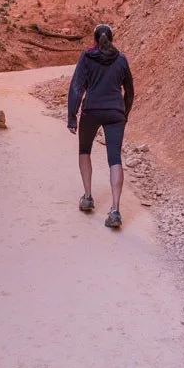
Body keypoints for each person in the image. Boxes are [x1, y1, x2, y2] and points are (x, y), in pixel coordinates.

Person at [67, 23, 134, 229]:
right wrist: (124, 112)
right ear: (111, 39)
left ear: (95, 40)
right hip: (115, 113)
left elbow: (77, 87)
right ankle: (115, 210)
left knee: (85, 151)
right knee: (115, 158)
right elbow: (130, 91)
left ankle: (87, 197)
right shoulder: (121, 59)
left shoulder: (87, 57)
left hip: (92, 111)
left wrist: (72, 116)